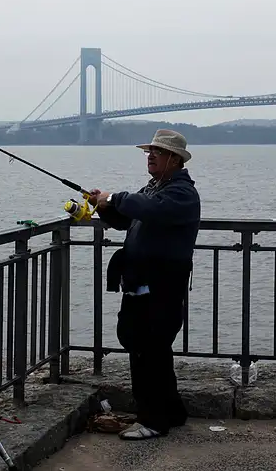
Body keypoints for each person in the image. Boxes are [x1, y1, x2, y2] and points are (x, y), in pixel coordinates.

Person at [88, 128, 201, 440]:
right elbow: (129, 218)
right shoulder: (154, 188)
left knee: (149, 351)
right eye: (149, 151)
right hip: (141, 285)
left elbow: (148, 209)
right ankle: (172, 412)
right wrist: (104, 206)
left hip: (162, 287)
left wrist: (115, 197)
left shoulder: (182, 194)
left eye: (157, 152)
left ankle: (153, 421)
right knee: (148, 348)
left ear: (175, 159)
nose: (150, 156)